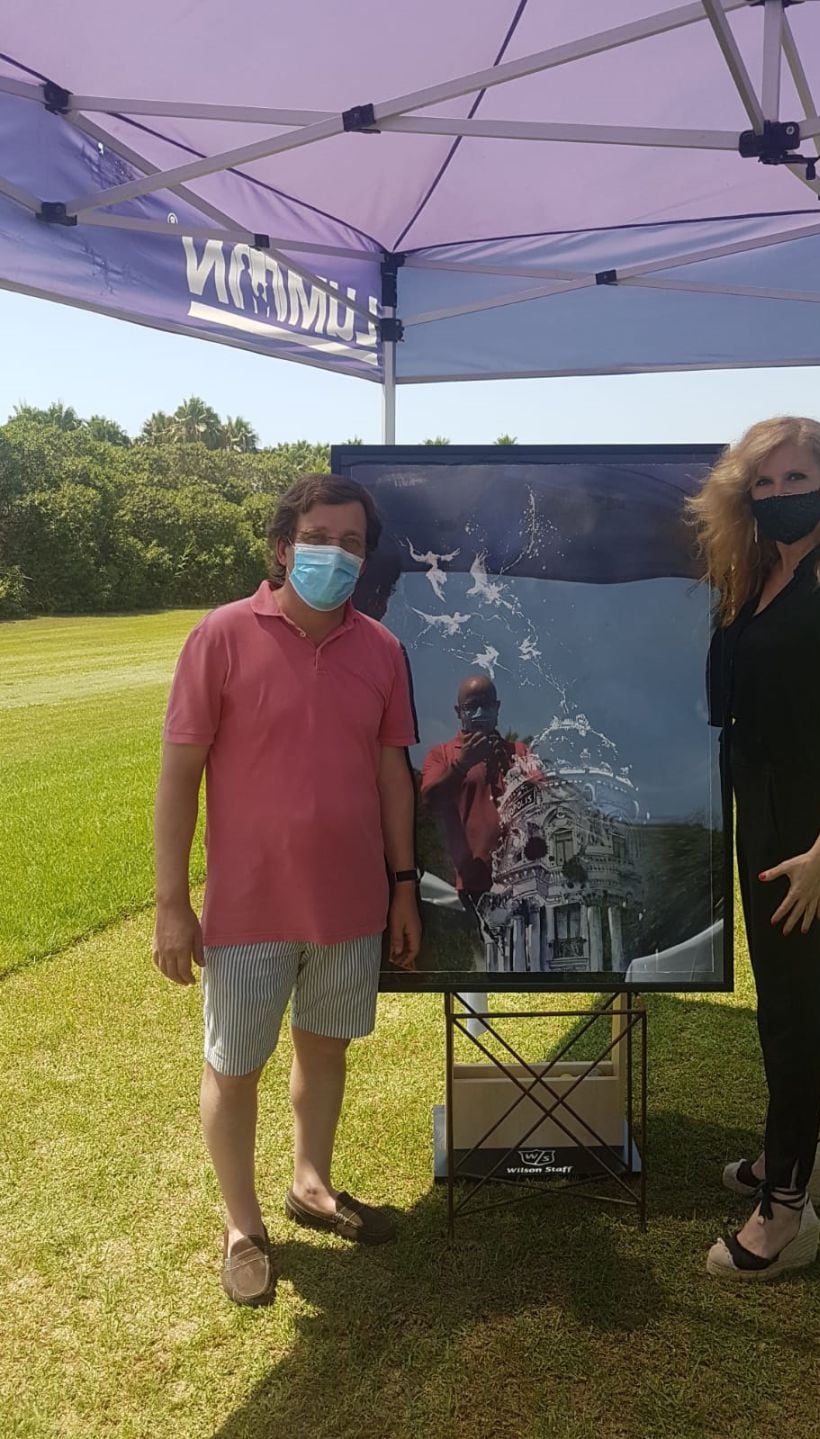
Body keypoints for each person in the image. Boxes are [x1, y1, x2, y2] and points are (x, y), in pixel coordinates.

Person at [152, 473, 422, 1307]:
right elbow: (179, 775)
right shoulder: (220, 637)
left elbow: (390, 776)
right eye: (319, 536)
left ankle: (312, 1183)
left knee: (325, 1049)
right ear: (281, 545)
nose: (334, 554)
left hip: (349, 906)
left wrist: (404, 886)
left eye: (351, 543)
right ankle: (242, 1225)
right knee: (235, 1066)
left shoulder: (382, 650)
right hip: (248, 909)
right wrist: (171, 900)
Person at [690, 416, 820, 1280]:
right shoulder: (757, 576)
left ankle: (784, 1216)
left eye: (794, 480)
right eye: (762, 485)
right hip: (761, 807)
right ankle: (796, 1156)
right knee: (780, 993)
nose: (779, 497)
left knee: (792, 1001)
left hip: (804, 827)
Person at [419, 677, 530, 905]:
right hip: (469, 888)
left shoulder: (518, 752)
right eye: (471, 707)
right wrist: (462, 765)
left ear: (497, 708)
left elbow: (547, 804)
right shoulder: (441, 754)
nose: (480, 712)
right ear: (459, 712)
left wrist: (510, 769)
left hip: (522, 881)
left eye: (486, 705)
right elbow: (430, 801)